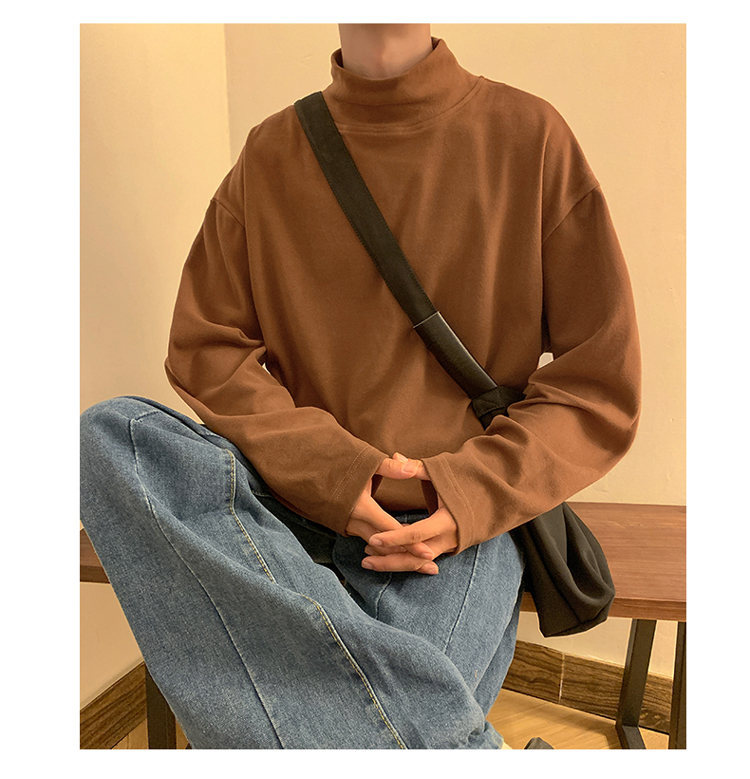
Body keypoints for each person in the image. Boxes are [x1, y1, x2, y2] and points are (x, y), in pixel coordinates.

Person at [80, 23, 641, 749]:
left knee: (351, 721)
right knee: (112, 434)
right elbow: (206, 346)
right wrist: (335, 475)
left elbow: (599, 381)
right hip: (286, 507)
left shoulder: (530, 137)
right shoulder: (272, 152)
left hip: (447, 531)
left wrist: (464, 492)